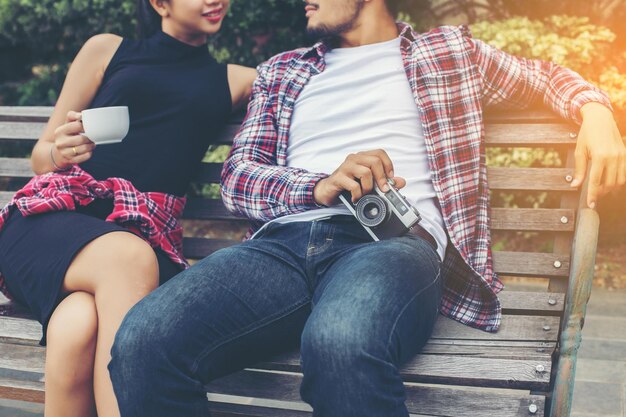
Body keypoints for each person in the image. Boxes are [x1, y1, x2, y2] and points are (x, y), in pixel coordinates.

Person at [108, 0, 626, 416]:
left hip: (393, 246)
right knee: (142, 341)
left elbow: (550, 79)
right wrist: (319, 185)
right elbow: (238, 176)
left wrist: (598, 112)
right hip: (280, 248)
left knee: (340, 343)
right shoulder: (283, 72)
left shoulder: (450, 52)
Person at [0, 0, 255, 416]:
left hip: (146, 232)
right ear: (159, 3)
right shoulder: (106, 50)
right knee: (127, 259)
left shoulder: (239, 80)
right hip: (56, 218)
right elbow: (40, 153)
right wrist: (60, 153)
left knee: (76, 325)